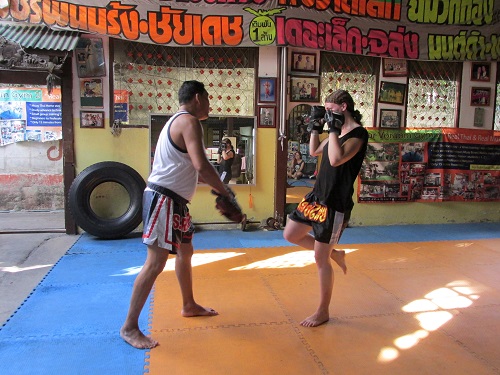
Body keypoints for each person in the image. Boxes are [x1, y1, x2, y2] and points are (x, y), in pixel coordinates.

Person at [120, 80, 233, 349]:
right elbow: (201, 165)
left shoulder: (177, 121)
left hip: (175, 202)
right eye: (207, 98)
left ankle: (188, 304)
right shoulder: (189, 122)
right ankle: (129, 327)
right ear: (197, 97)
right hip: (164, 199)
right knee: (156, 262)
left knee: (186, 251)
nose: (209, 104)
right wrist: (225, 191)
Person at [283, 90, 368, 327]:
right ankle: (335, 253)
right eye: (327, 111)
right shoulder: (336, 131)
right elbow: (314, 152)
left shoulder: (358, 134)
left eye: (331, 110)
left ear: (344, 106)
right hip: (316, 197)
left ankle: (323, 311)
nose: (328, 114)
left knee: (320, 259)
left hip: (335, 203)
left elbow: (335, 159)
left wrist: (332, 129)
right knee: (290, 234)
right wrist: (314, 128)